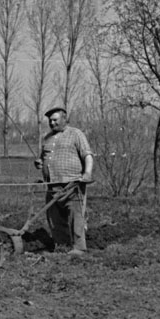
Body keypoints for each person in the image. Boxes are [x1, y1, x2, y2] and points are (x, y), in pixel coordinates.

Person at [34, 107, 93, 255]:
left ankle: (79, 248)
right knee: (55, 219)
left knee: (76, 217)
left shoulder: (76, 134)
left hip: (72, 185)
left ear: (64, 119)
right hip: (51, 185)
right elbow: (42, 157)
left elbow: (87, 155)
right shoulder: (47, 138)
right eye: (50, 121)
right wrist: (39, 162)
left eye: (55, 120)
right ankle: (62, 247)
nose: (52, 123)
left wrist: (87, 173)